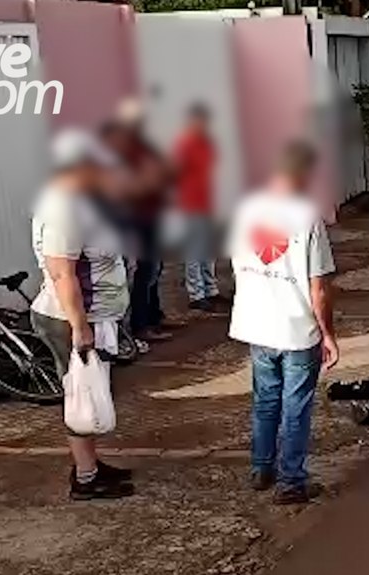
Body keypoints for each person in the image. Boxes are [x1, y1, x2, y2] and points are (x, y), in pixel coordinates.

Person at [227, 140, 338, 505]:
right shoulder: (307, 218)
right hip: (295, 328)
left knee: (265, 400)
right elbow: (318, 286)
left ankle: (262, 467)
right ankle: (291, 481)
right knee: (295, 406)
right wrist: (328, 334)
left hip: (256, 324)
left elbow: (237, 264)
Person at [30, 129, 134, 500]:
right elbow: (63, 273)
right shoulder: (63, 210)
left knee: (89, 392)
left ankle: (90, 465)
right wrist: (80, 327)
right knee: (80, 395)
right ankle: (86, 478)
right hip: (73, 318)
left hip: (93, 315)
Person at [106, 99, 175, 342]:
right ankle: (140, 325)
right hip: (136, 218)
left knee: (154, 269)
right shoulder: (122, 150)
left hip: (151, 214)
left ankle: (154, 316)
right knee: (143, 272)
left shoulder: (144, 147)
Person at [173, 103, 225, 314]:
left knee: (209, 250)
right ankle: (197, 293)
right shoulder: (184, 144)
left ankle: (210, 289)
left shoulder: (207, 143)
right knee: (194, 251)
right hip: (190, 203)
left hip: (207, 201)